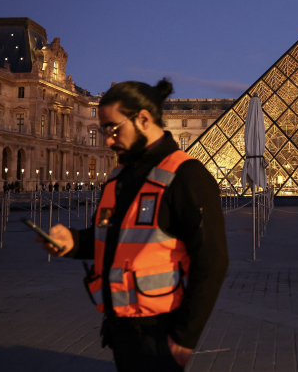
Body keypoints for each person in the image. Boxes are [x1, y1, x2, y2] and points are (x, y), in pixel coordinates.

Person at [36, 79, 229, 372]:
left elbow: (213, 262)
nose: (107, 140)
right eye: (103, 130)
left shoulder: (188, 175)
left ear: (143, 119)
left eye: (113, 128)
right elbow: (111, 239)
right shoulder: (118, 177)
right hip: (118, 327)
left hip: (159, 331)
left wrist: (184, 338)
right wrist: (73, 241)